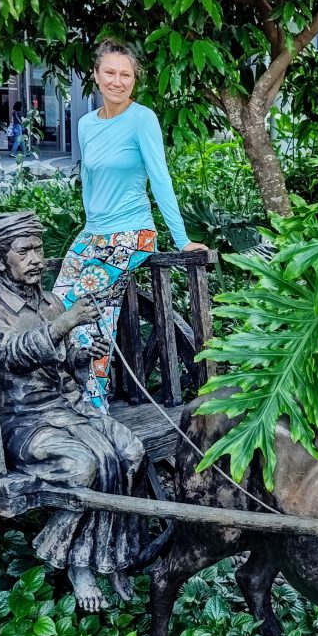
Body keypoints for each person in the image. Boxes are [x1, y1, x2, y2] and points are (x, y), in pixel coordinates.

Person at [0, 210, 148, 611]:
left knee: (130, 451)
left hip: (68, 410)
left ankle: (108, 555)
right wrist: (66, 323)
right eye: (24, 252)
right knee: (83, 466)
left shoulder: (51, 302)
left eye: (38, 249)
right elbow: (13, 354)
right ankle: (78, 563)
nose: (36, 259)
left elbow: (64, 360)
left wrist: (82, 355)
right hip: (25, 421)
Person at [53, 39, 209, 410]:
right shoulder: (86, 124)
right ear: (95, 75)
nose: (117, 81)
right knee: (58, 304)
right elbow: (89, 181)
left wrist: (181, 239)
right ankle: (68, 397)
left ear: (134, 80)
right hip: (94, 234)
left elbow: (160, 177)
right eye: (110, 72)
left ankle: (94, 407)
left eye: (126, 75)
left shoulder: (142, 119)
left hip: (132, 234)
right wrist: (89, 230)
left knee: (87, 306)